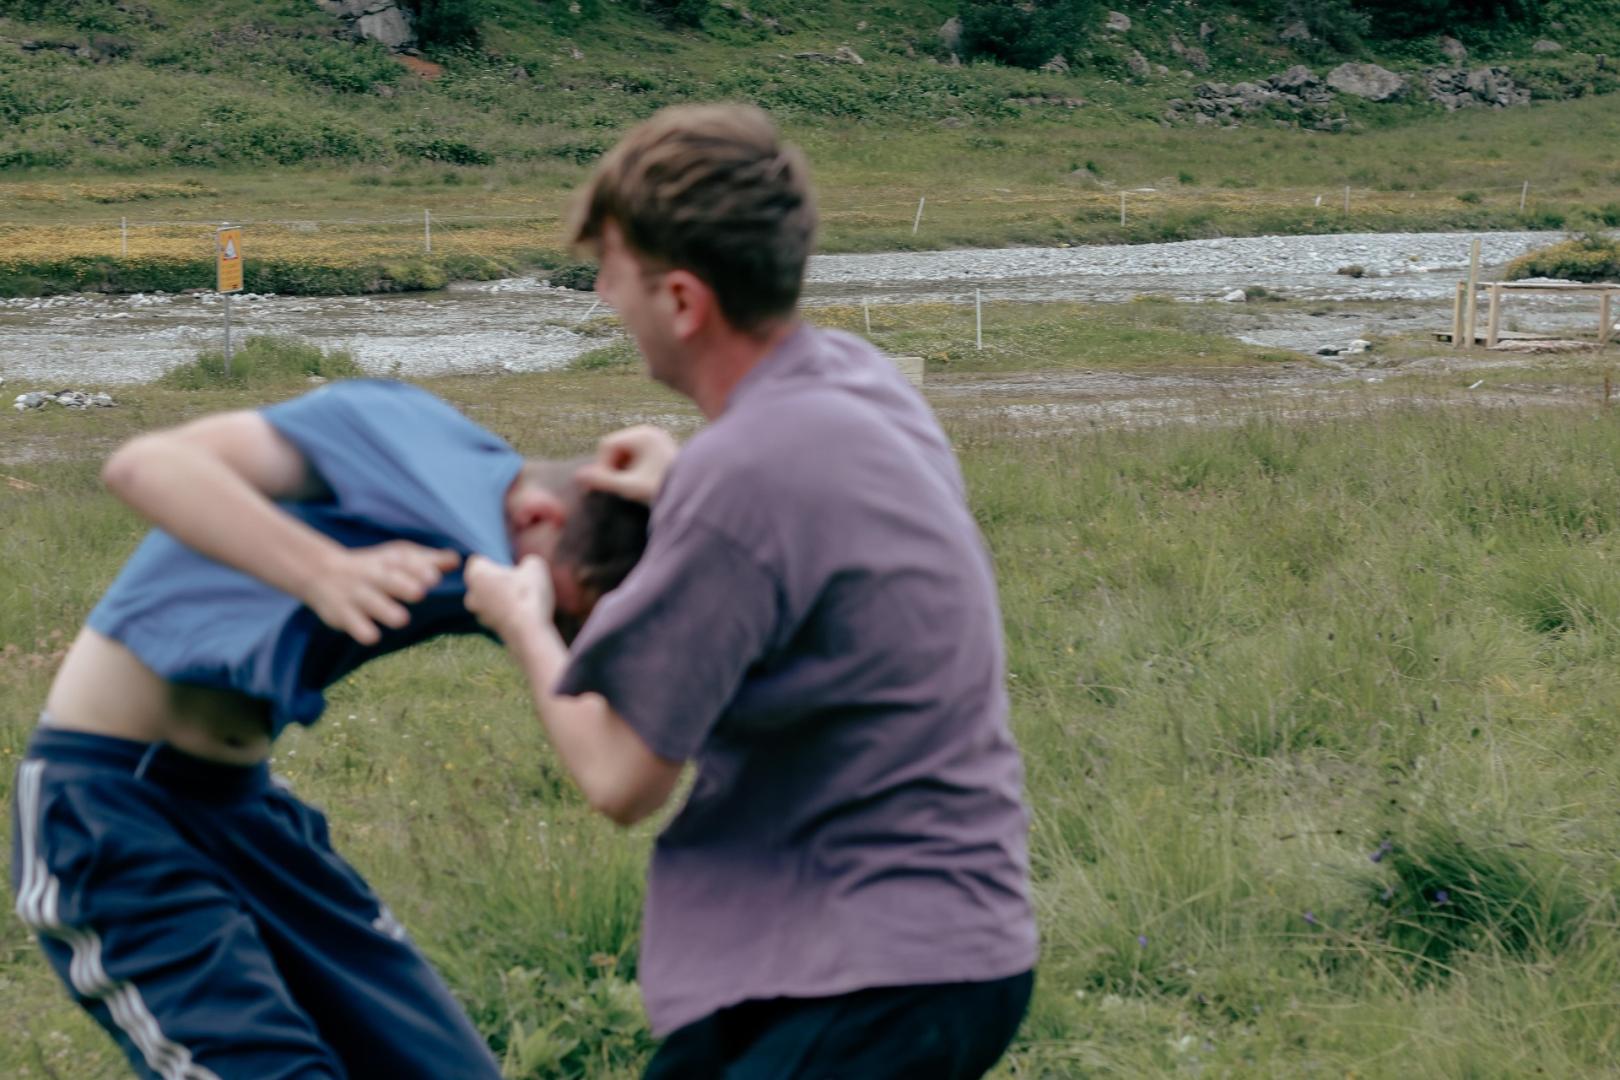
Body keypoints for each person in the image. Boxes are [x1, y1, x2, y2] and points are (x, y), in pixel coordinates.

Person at [464, 104, 1038, 1079]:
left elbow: (621, 780)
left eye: (612, 271)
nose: (604, 295)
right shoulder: (854, 379)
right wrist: (685, 478)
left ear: (684, 301)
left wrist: (521, 619)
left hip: (875, 969)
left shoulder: (746, 476)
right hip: (929, 943)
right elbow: (814, 510)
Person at [10, 378, 648, 1080]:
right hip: (112, 807)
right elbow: (147, 466)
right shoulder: (396, 430)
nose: (558, 635)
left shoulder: (516, 577)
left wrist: (678, 473)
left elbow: (617, 760)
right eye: (563, 615)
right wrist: (323, 571)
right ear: (537, 517)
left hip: (245, 807)